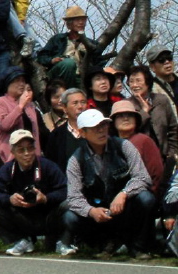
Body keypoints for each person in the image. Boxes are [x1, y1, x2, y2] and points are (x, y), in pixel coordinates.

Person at [61, 109, 155, 259]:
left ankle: (139, 248)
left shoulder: (124, 146)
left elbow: (143, 177)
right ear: (83, 133)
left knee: (146, 198)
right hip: (98, 213)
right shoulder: (75, 160)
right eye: (95, 127)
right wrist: (91, 211)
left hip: (125, 209)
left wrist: (124, 194)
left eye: (104, 125)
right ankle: (102, 244)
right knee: (69, 217)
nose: (101, 131)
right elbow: (73, 198)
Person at [0, 130, 67, 256]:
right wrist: (10, 199)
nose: (27, 154)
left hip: (47, 215)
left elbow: (65, 190)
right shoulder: (7, 170)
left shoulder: (48, 166)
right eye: (21, 150)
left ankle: (61, 240)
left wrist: (46, 198)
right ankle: (20, 241)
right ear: (13, 152)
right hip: (22, 217)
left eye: (30, 149)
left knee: (68, 204)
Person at [38, 6, 104, 88]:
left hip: (81, 78)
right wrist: (51, 60)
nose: (81, 22)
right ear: (69, 23)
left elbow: (100, 63)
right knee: (68, 63)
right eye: (77, 20)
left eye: (83, 20)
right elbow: (41, 57)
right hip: (58, 77)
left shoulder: (92, 44)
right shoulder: (58, 39)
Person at [0, 67, 42, 172]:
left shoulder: (30, 106)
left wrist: (37, 155)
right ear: (7, 84)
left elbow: (35, 133)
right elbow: (4, 124)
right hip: (6, 157)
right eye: (17, 81)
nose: (22, 84)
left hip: (29, 157)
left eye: (23, 81)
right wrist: (20, 106)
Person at [110, 100, 164, 196]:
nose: (125, 118)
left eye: (130, 115)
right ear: (113, 122)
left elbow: (157, 174)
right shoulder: (109, 144)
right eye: (120, 116)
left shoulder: (143, 140)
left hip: (142, 195)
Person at [126, 64, 178, 161]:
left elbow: (173, 129)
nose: (134, 85)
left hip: (165, 157)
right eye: (131, 81)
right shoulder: (127, 105)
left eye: (138, 80)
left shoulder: (161, 100)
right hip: (140, 160)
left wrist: (172, 153)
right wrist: (144, 112)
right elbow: (128, 131)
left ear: (147, 82)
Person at [45, 88, 87, 172]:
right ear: (65, 108)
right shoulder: (56, 135)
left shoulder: (95, 130)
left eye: (83, 102)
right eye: (75, 103)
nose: (80, 107)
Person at [147, 44, 177, 118]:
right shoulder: (152, 90)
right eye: (161, 59)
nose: (167, 62)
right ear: (152, 67)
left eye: (169, 57)